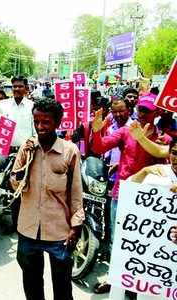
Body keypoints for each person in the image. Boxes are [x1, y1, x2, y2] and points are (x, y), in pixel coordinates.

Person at [91, 93, 169, 294]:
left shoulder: (165, 139)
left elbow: (165, 160)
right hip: (122, 194)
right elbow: (99, 146)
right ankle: (115, 280)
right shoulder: (126, 132)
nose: (142, 113)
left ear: (157, 112)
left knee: (144, 242)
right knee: (118, 239)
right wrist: (97, 131)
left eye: (147, 110)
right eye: (140, 109)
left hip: (151, 200)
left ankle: (137, 283)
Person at [10, 97, 84, 300]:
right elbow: (16, 185)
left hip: (59, 233)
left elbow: (76, 194)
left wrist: (75, 227)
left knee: (62, 288)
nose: (40, 127)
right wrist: (24, 158)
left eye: (45, 122)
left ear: (57, 123)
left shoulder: (70, 151)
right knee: (32, 285)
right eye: (36, 122)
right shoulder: (27, 148)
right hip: (28, 230)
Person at [0, 76, 36, 231]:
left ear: (26, 88)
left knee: (17, 189)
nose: (17, 89)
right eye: (14, 86)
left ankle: (16, 224)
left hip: (23, 153)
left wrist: (33, 142)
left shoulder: (32, 106)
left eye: (20, 86)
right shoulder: (3, 105)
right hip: (2, 151)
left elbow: (36, 130)